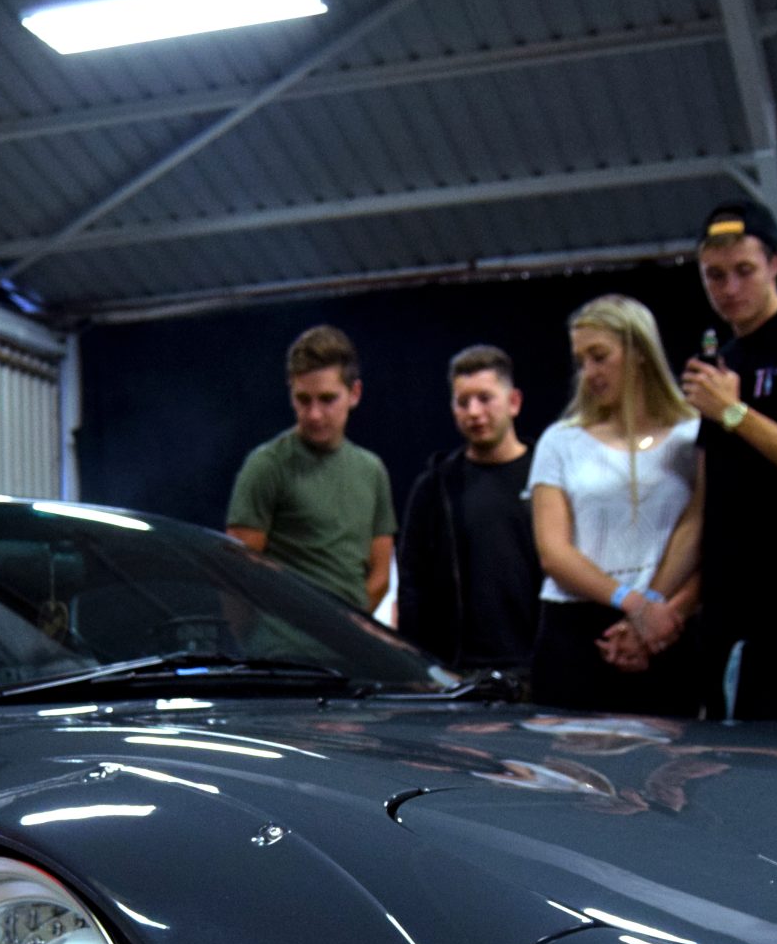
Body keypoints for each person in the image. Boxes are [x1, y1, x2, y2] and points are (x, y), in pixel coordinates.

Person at [642, 199, 777, 720]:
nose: (730, 288)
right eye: (715, 276)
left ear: (775, 265)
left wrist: (735, 413)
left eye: (744, 271)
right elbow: (704, 508)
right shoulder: (722, 363)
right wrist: (649, 604)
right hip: (722, 612)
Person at [524, 295, 702, 712]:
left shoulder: (691, 436)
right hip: (577, 630)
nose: (589, 372)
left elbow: (705, 534)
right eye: (581, 361)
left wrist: (658, 613)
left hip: (667, 627)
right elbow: (553, 552)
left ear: (639, 351)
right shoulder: (561, 441)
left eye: (600, 357)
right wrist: (633, 604)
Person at [226, 325, 395, 611]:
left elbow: (381, 576)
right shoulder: (268, 465)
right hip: (281, 635)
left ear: (354, 393)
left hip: (346, 634)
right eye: (303, 399)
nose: (314, 414)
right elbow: (238, 572)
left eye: (327, 399)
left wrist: (347, 624)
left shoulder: (372, 470)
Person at [396, 345, 539, 676]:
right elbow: (411, 586)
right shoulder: (435, 488)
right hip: (457, 673)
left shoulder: (546, 480)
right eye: (463, 402)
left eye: (485, 398)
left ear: (514, 402)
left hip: (536, 669)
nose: (474, 412)